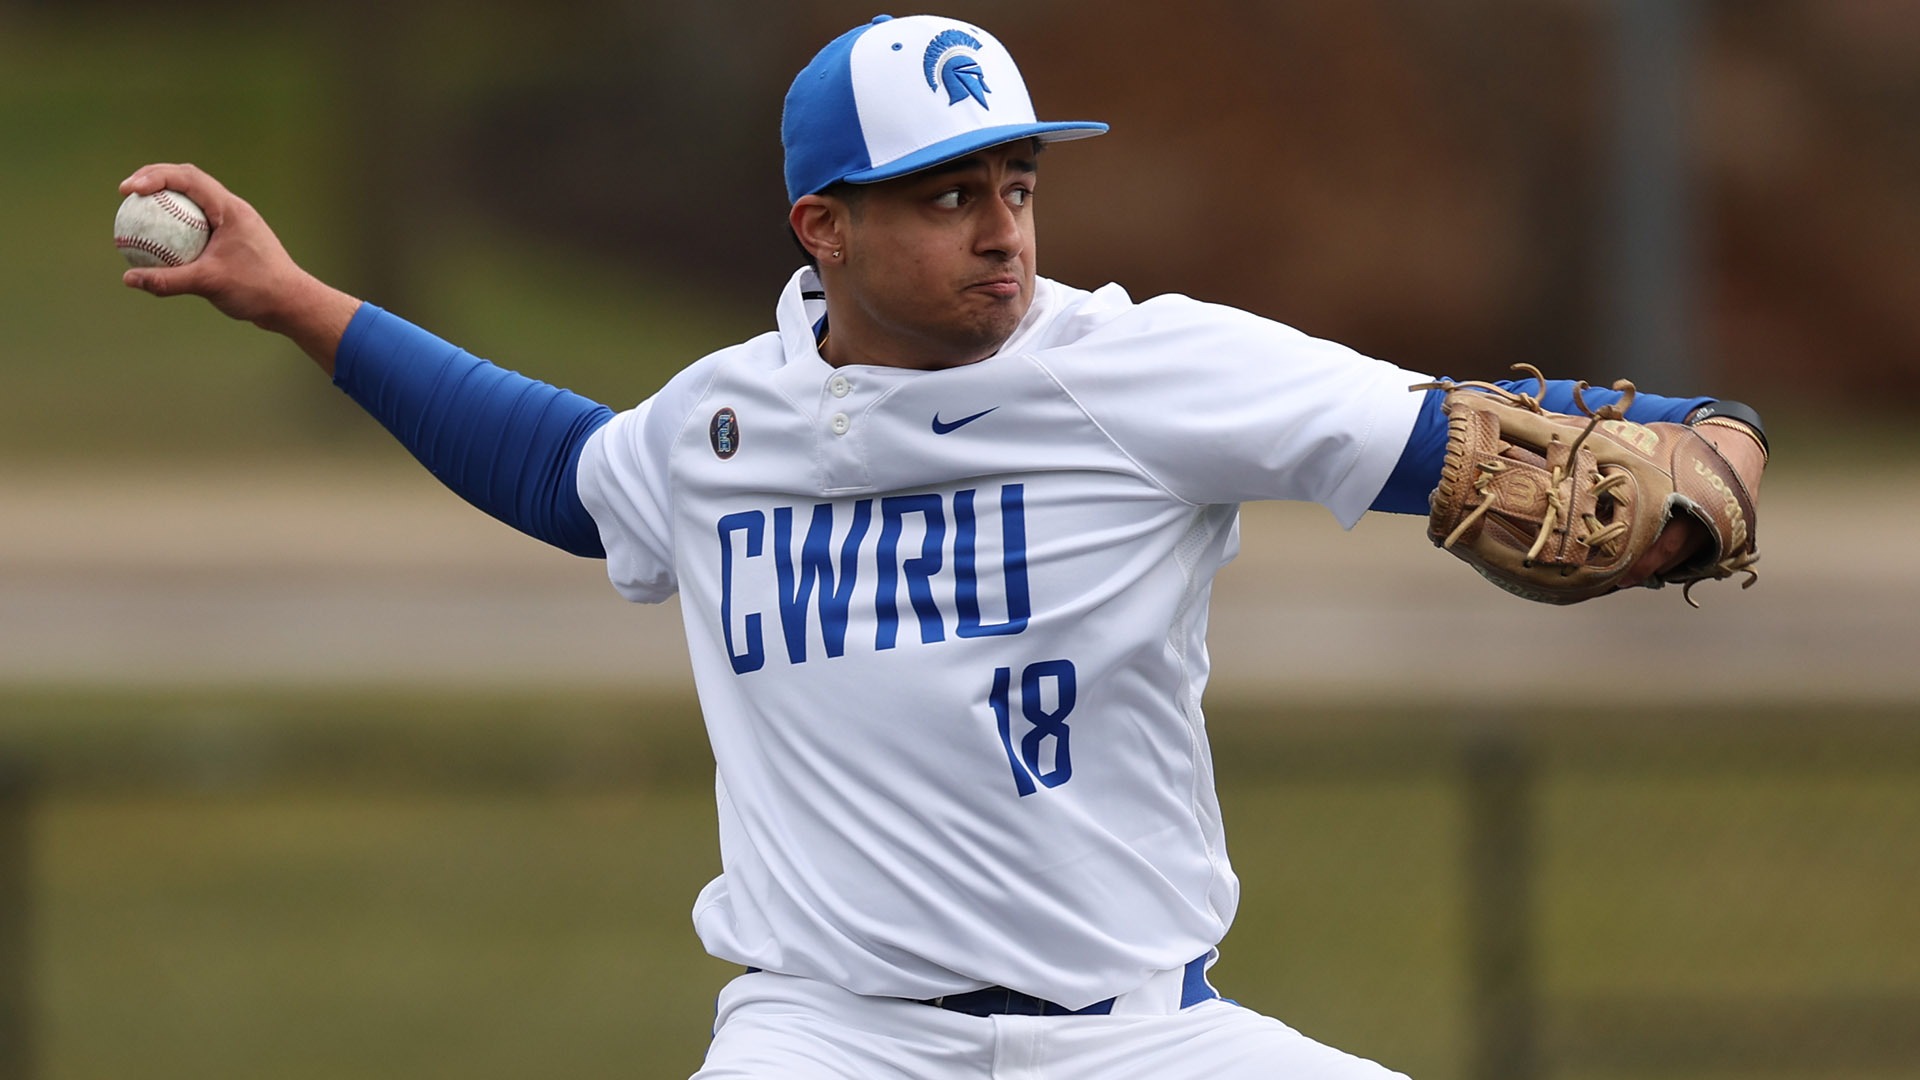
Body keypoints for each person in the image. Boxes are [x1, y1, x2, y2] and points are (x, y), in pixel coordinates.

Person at [119, 14, 1767, 1079]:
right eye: (943, 192)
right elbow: (573, 478)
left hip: (1136, 1044)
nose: (1001, 225)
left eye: (1016, 180)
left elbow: (1459, 424)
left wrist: (1709, 428)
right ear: (820, 228)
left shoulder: (1147, 370)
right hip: (826, 1037)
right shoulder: (719, 424)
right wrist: (295, 300)